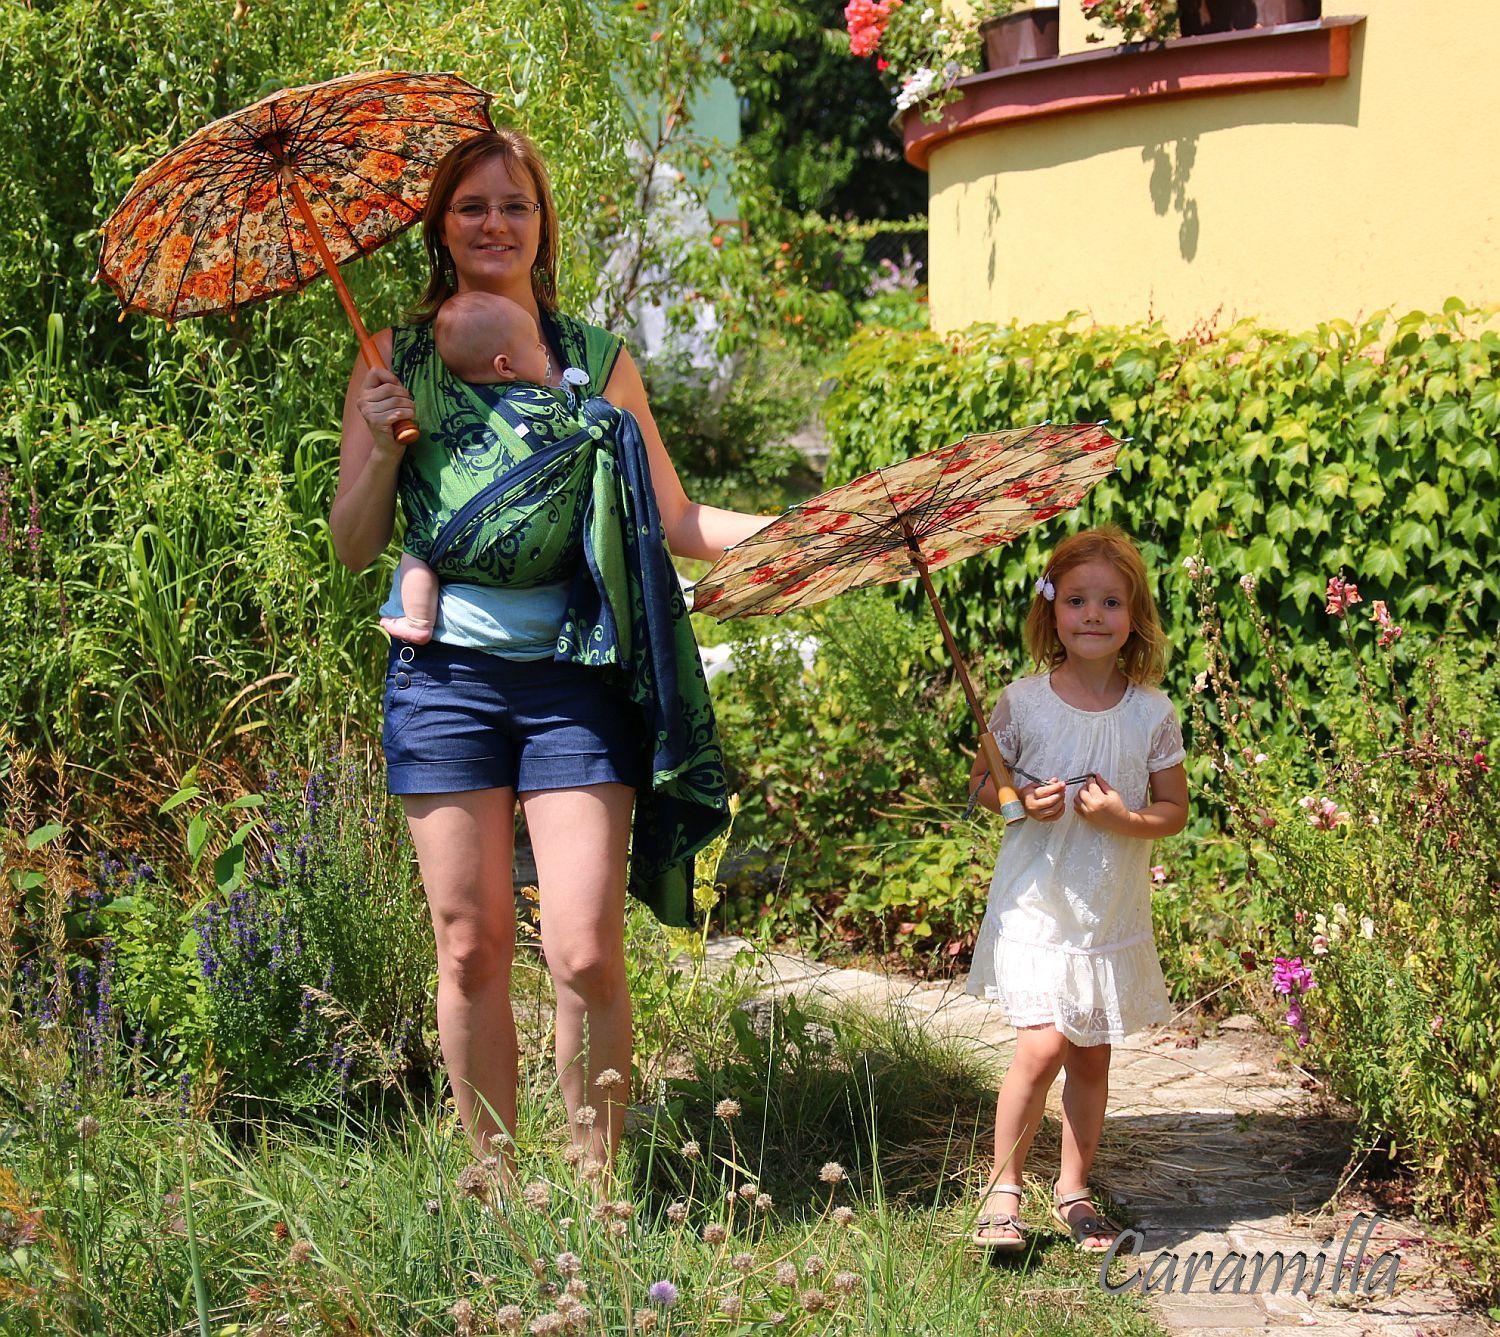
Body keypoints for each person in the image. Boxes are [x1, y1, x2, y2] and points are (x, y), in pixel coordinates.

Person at [329, 128, 769, 1178]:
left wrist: (812, 533)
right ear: (441, 228)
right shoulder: (391, 359)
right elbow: (352, 544)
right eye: (472, 206)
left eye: (515, 204)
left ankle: (595, 1192)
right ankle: (490, 1182)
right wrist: (381, 448)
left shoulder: (596, 361)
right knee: (470, 945)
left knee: (584, 947)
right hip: (447, 682)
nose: (495, 223)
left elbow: (673, 516)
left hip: (577, 676)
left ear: (542, 223)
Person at [962, 525, 1188, 1252]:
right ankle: (1002, 1189)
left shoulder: (1151, 714)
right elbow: (984, 789)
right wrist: (1021, 801)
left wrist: (1124, 817)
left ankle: (1074, 1188)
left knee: (1091, 1053)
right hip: (1037, 902)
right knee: (1043, 1044)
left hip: (1106, 909)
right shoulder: (1023, 703)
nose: (1093, 614)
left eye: (1111, 602)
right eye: (1078, 600)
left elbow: (1173, 811)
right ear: (1051, 610)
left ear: (1135, 615)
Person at [378, 292, 564, 646]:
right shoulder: (541, 399)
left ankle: (418, 620)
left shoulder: (442, 403)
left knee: (418, 549)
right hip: (531, 547)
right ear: (505, 366)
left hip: (452, 532)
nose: (544, 350)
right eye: (536, 345)